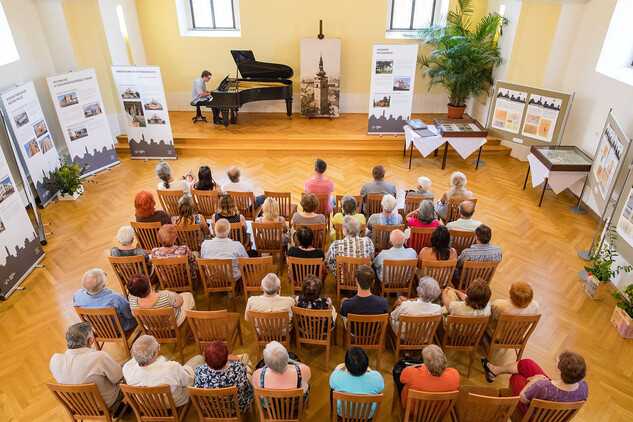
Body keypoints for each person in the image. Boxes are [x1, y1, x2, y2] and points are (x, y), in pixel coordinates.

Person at [482, 352, 588, 414]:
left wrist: (534, 380)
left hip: (534, 415)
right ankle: (495, 371)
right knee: (527, 364)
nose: (556, 360)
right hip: (553, 408)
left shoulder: (542, 388)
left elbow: (523, 398)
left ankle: (494, 375)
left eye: (557, 361)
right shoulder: (584, 387)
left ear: (560, 371)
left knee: (517, 377)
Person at [50, 323, 124, 410]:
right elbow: (119, 378)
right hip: (107, 404)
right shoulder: (99, 357)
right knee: (127, 367)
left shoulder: (54, 359)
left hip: (80, 408)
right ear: (90, 341)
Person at [123, 335, 204, 407]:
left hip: (148, 404)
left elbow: (138, 354)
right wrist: (185, 370)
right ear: (155, 352)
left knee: (163, 358)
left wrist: (147, 343)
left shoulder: (127, 368)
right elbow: (188, 380)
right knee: (198, 358)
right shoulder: (172, 368)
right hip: (175, 401)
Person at [194, 341, 254, 413]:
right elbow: (242, 369)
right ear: (226, 357)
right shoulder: (238, 367)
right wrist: (233, 359)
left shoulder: (199, 370)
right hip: (237, 408)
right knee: (246, 361)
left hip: (210, 409)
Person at [73, 269, 137, 332]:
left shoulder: (77, 296)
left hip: (101, 330)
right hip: (122, 328)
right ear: (103, 285)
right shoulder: (116, 298)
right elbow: (130, 315)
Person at [330, 347, 384, 417]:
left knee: (332, 390)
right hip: (367, 415)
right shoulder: (377, 378)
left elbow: (332, 385)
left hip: (342, 413)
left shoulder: (336, 376)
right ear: (367, 364)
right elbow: (380, 388)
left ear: (346, 365)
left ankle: (333, 412)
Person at [127, 274, 195, 327]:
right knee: (188, 295)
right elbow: (180, 303)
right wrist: (174, 294)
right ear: (149, 285)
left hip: (151, 327)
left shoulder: (132, 301)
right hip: (172, 324)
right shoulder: (166, 295)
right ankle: (194, 324)